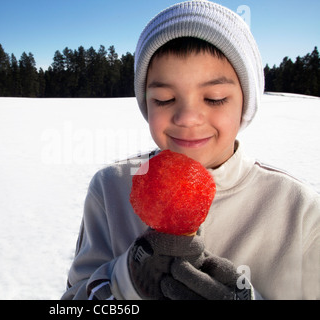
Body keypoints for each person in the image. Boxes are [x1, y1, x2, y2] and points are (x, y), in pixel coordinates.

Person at [61, 0, 319, 300]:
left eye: (214, 98)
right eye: (164, 99)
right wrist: (126, 280)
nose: (187, 117)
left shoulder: (300, 211)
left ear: (245, 103)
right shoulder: (110, 189)